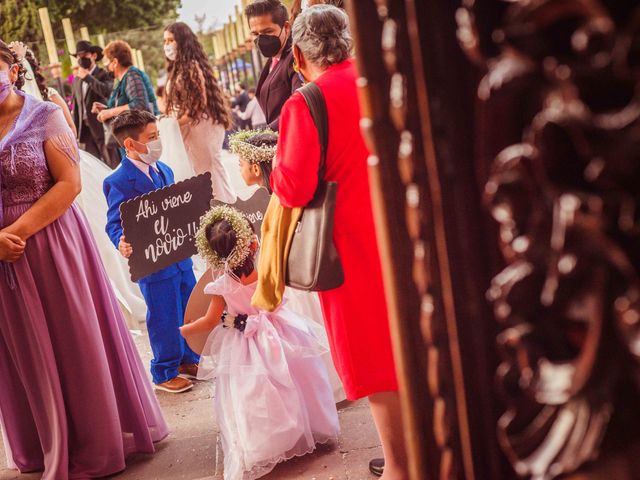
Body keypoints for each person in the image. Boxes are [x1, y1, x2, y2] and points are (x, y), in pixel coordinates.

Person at [0, 39, 168, 479]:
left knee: (72, 338)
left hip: (50, 243)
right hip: (1, 257)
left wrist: (14, 232)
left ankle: (95, 439)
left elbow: (69, 183)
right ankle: (42, 442)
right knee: (21, 351)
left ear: (13, 71)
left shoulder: (42, 115)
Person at [271, 6, 408, 479]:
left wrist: (267, 167)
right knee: (413, 335)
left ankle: (400, 464)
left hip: (350, 245)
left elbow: (293, 187)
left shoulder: (306, 101)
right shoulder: (386, 77)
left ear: (301, 54)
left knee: (374, 354)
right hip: (407, 228)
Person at [181, 205, 340, 480]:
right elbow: (277, 298)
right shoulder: (266, 268)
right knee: (297, 378)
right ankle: (308, 426)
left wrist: (187, 329)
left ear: (215, 258)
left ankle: (263, 443)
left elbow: (209, 321)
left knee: (252, 393)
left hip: (243, 343)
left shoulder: (222, 285)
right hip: (279, 330)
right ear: (252, 243)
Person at [103, 110, 200, 393]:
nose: (158, 141)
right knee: (163, 315)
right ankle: (164, 371)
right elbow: (113, 222)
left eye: (157, 135)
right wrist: (121, 240)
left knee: (186, 308)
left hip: (179, 256)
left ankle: (187, 359)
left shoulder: (165, 170)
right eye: (152, 138)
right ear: (130, 144)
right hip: (153, 263)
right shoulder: (118, 181)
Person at [163, 22, 236, 203]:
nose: (167, 45)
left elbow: (196, 107)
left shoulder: (191, 67)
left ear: (182, 41)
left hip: (200, 127)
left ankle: (227, 217)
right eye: (165, 41)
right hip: (190, 127)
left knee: (210, 173)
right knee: (202, 175)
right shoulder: (178, 68)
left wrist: (170, 123)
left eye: (171, 40)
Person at [245, 0, 303, 131]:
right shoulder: (272, 60)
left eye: (268, 31)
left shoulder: (296, 57)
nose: (261, 39)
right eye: (255, 33)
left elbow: (300, 104)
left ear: (286, 28)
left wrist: (268, 133)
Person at [70, 40, 117, 166]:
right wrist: (74, 130)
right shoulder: (76, 81)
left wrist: (88, 77)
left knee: (112, 163)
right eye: (78, 56)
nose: (81, 58)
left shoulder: (104, 74)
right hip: (85, 131)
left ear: (94, 56)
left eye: (84, 55)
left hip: (101, 126)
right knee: (94, 165)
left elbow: (106, 92)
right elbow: (76, 106)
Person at [94, 40, 159, 123]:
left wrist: (110, 112)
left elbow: (139, 104)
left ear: (115, 62)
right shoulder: (123, 79)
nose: (105, 67)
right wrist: (106, 109)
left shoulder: (132, 75)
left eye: (106, 63)